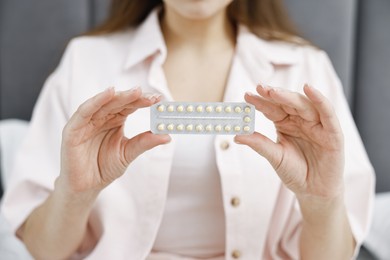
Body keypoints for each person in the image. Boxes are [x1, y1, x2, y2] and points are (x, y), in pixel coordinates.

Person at [1, 0, 375, 259]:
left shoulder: (306, 69)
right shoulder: (85, 62)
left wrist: (321, 203)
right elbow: (41, 250)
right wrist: (75, 193)